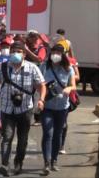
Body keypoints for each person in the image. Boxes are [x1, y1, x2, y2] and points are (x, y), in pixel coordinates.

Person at [0, 41, 46, 176]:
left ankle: (18, 164)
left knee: (22, 139)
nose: (15, 54)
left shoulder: (32, 68)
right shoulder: (4, 67)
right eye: (13, 51)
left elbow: (41, 85)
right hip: (7, 109)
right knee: (7, 137)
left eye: (18, 51)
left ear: (24, 54)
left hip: (25, 109)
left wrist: (41, 99)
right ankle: (5, 165)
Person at [40, 44, 76, 175]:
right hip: (47, 106)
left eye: (58, 52)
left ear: (63, 55)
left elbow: (74, 85)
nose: (55, 54)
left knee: (57, 135)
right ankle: (46, 163)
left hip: (62, 107)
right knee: (48, 133)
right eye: (53, 52)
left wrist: (68, 88)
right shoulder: (44, 67)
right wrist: (43, 92)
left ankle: (54, 160)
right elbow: (38, 83)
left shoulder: (68, 68)